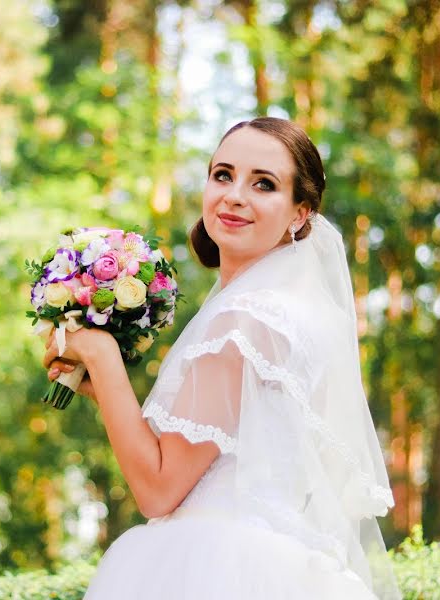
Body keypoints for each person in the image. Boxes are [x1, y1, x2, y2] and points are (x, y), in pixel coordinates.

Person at [41, 117, 402, 600]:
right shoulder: (289, 311)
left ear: (300, 214)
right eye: (223, 174)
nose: (234, 195)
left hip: (220, 567)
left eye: (264, 184)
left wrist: (103, 353)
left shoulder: (246, 320)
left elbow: (159, 489)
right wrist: (104, 388)